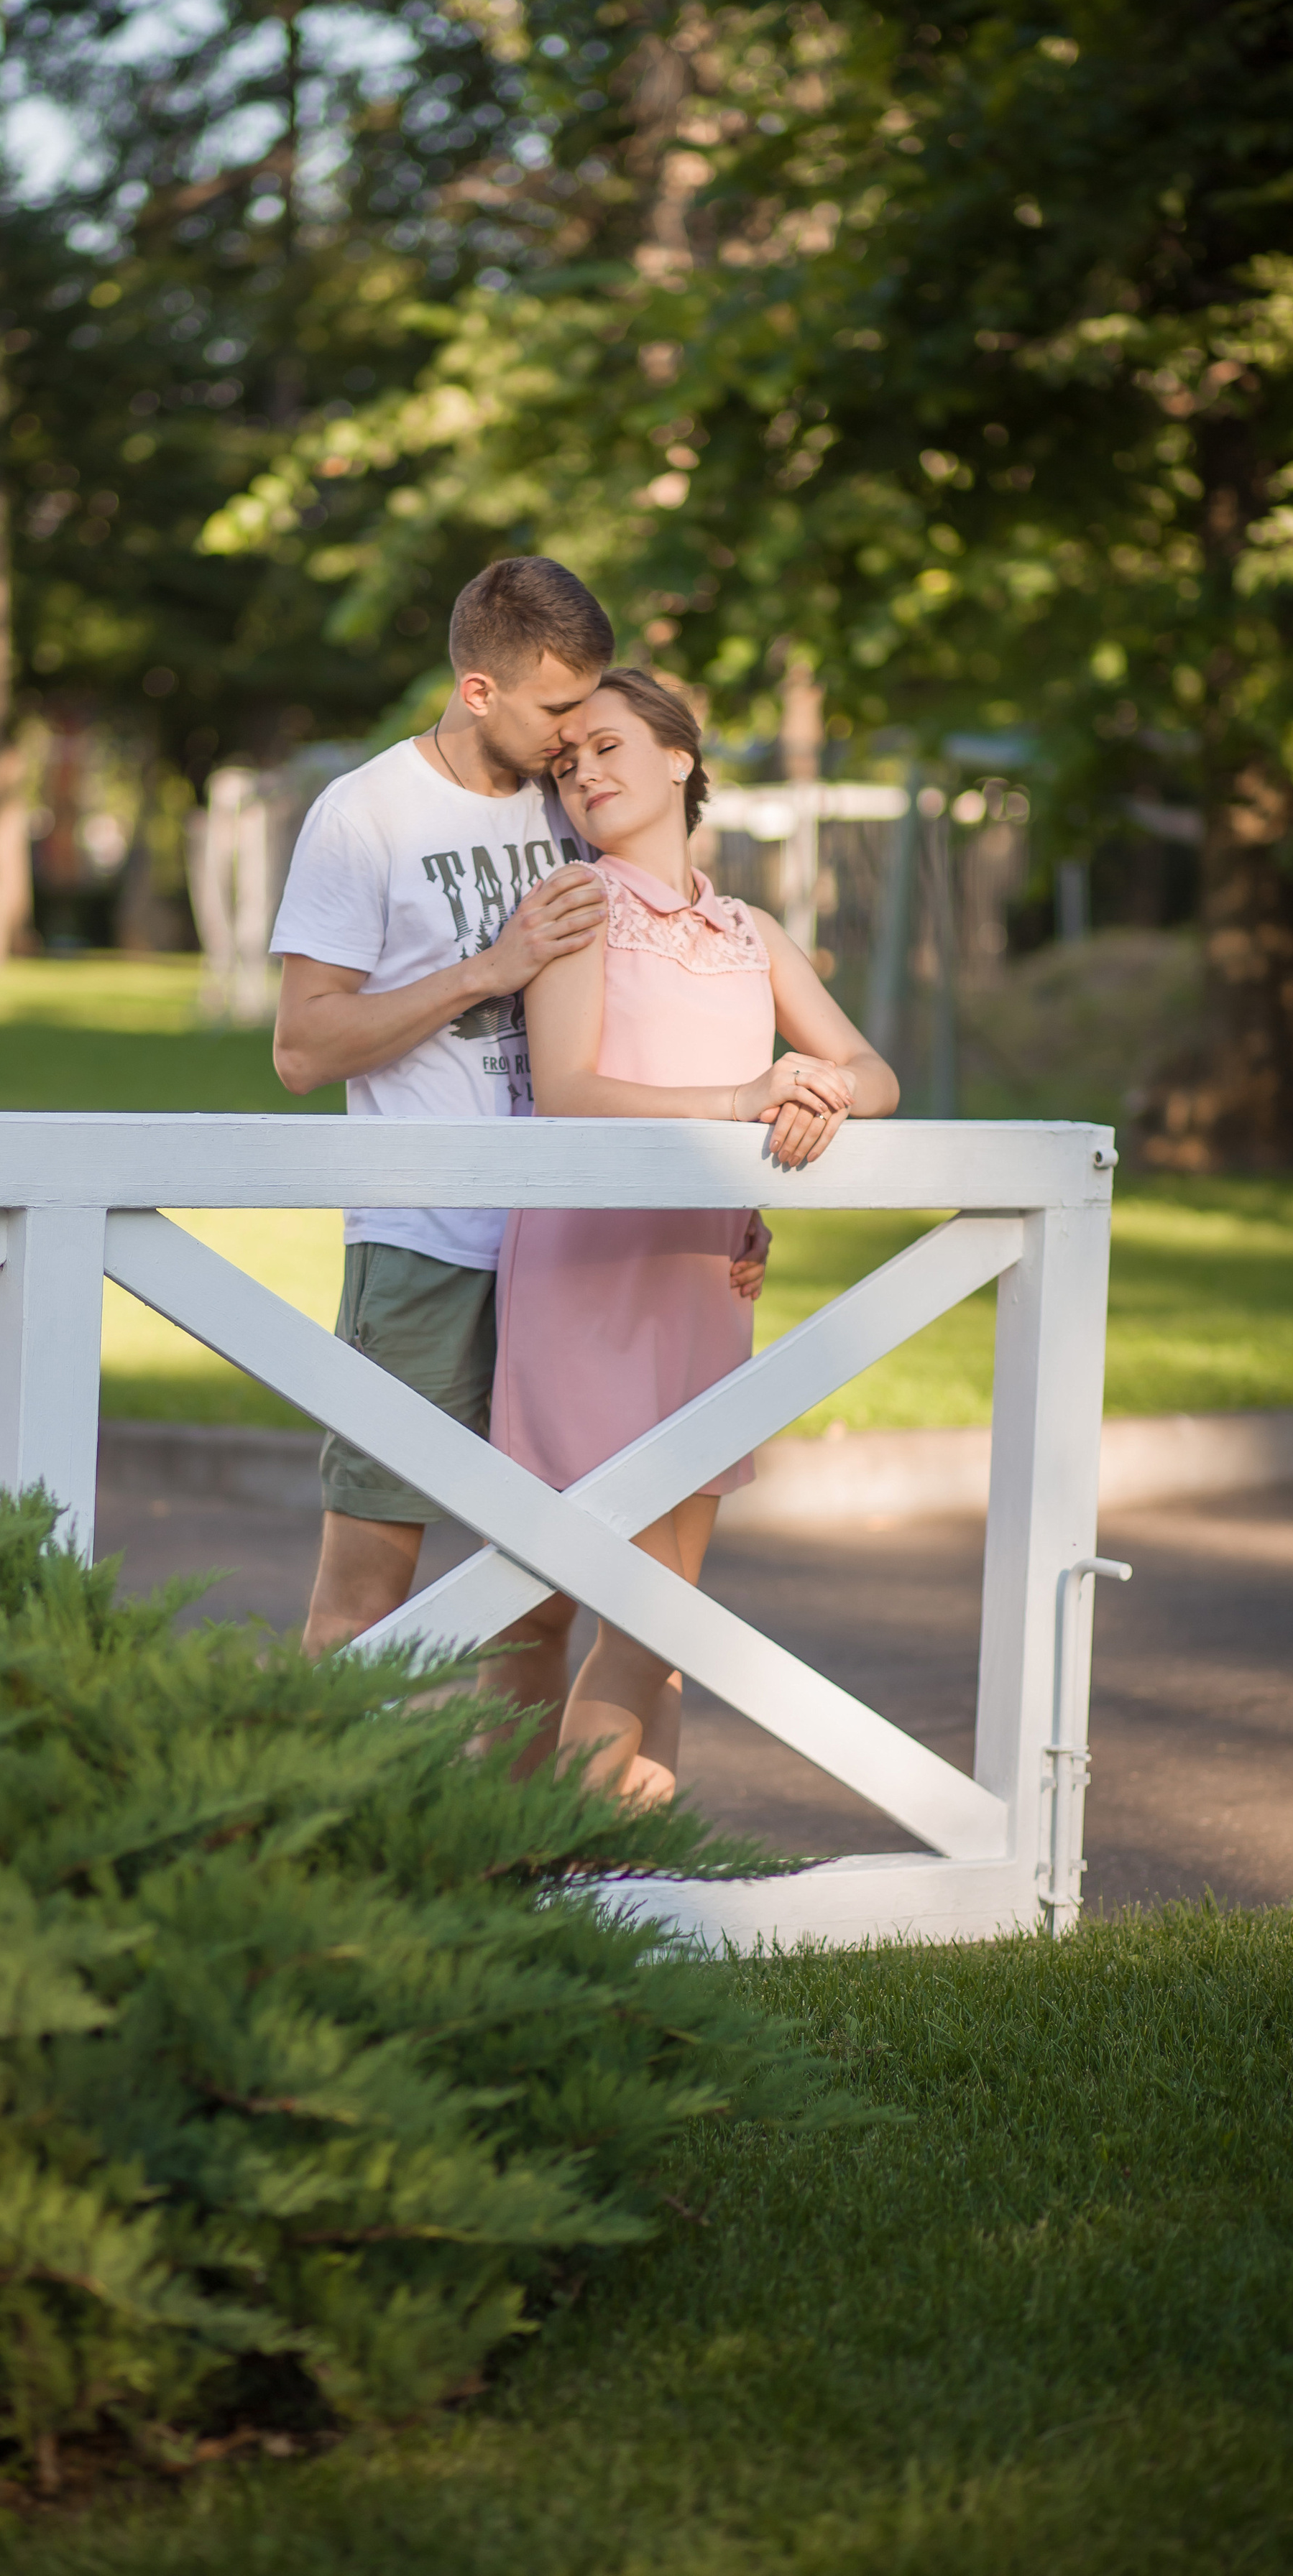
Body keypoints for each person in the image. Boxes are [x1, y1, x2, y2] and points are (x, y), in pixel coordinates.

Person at [490, 667, 899, 1805]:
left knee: (671, 1619)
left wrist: (814, 1091)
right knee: (613, 1598)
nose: (586, 776)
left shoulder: (747, 930)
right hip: (585, 1279)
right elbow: (567, 1091)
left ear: (681, 758)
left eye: (609, 748)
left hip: (704, 1280)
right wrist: (741, 1100)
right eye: (567, 767)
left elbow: (877, 1075)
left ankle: (628, 1867)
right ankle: (537, 1848)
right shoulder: (578, 909)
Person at [270, 555, 615, 1758]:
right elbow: (304, 1048)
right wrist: (488, 969)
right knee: (370, 1594)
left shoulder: (582, 801)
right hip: (425, 1243)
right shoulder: (364, 815)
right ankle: (331, 1854)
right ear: (480, 690)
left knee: (546, 1588)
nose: (582, 735)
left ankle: (506, 1871)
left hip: (574, 1251)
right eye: (558, 710)